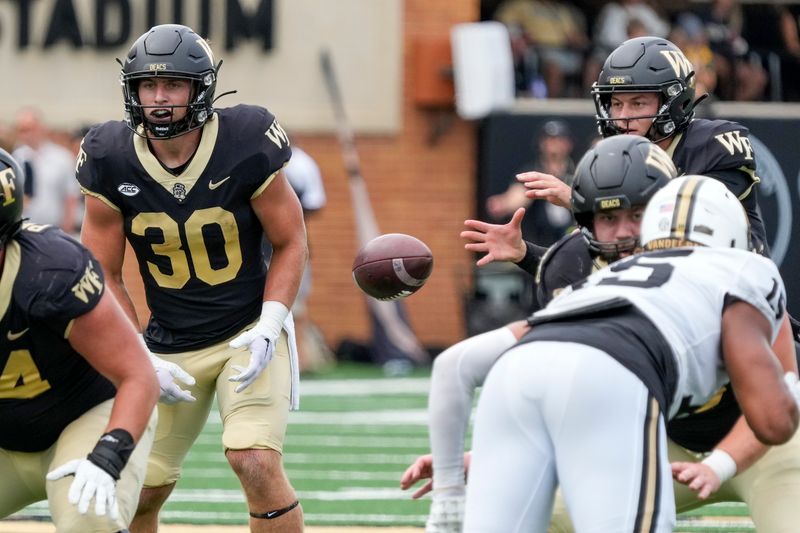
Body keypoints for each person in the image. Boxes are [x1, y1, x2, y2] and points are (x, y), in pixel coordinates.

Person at [463, 175, 799, 532]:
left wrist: (720, 465)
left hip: (770, 450)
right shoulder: (630, 294)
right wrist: (503, 453)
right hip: (668, 444)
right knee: (548, 508)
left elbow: (779, 412)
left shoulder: (749, 290)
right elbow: (587, 388)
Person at [75, 24, 307, 532]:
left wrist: (270, 324)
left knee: (254, 461)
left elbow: (292, 242)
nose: (158, 99)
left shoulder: (245, 139)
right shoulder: (109, 156)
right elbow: (103, 274)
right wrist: (137, 354)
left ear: (199, 89)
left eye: (173, 85)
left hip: (248, 334)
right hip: (167, 344)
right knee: (140, 488)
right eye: (147, 86)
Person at [406, 134, 678, 532]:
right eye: (607, 216)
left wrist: (726, 460)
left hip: (728, 435)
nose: (622, 232)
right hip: (637, 432)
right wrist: (477, 466)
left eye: (636, 215)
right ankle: (449, 512)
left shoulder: (701, 262)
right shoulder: (570, 260)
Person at [0, 148, 159, 532]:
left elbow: (138, 375)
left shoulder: (49, 271)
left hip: (84, 419)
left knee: (88, 517)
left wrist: (109, 453)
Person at [523, 36, 770, 256]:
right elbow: (588, 267)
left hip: (733, 290)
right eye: (616, 103)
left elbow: (687, 235)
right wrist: (523, 253)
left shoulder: (713, 144)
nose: (622, 117)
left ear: (675, 101)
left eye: (638, 104)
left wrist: (584, 204)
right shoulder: (616, 158)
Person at [486, 119, 575, 248]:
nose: (554, 144)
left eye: (559, 140)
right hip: (538, 243)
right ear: (541, 143)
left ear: (568, 144)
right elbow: (518, 195)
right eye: (549, 140)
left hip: (571, 244)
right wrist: (504, 203)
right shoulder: (532, 172)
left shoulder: (577, 173)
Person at [12, 107, 82, 235]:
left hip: (54, 230)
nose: (26, 135)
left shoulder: (62, 158)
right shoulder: (15, 159)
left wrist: (67, 229)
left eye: (29, 129)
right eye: (21, 130)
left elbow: (71, 196)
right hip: (23, 230)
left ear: (41, 129)